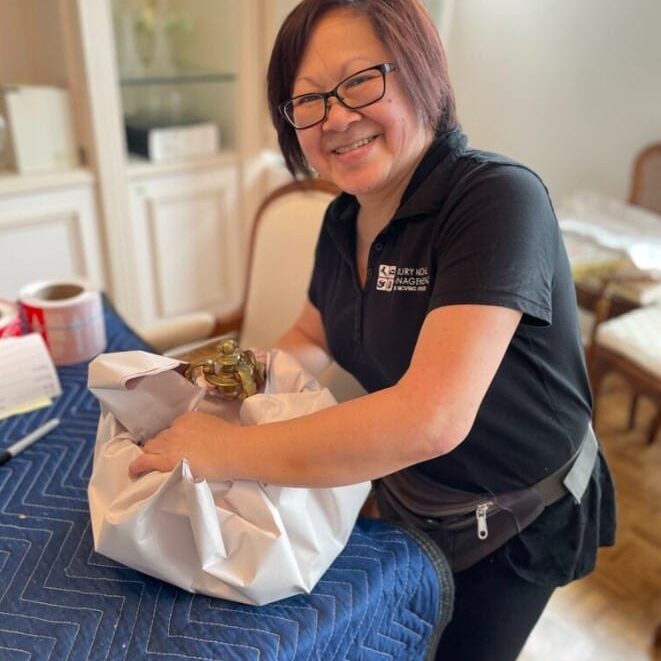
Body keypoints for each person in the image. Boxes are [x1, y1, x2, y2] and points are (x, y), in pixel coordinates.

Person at [128, 1, 616, 659]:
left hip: (517, 514)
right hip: (410, 489)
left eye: (359, 81)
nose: (334, 117)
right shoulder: (342, 222)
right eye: (308, 100)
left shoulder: (497, 201)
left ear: (421, 71)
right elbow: (308, 336)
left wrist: (222, 448)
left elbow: (430, 418)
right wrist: (199, 384)